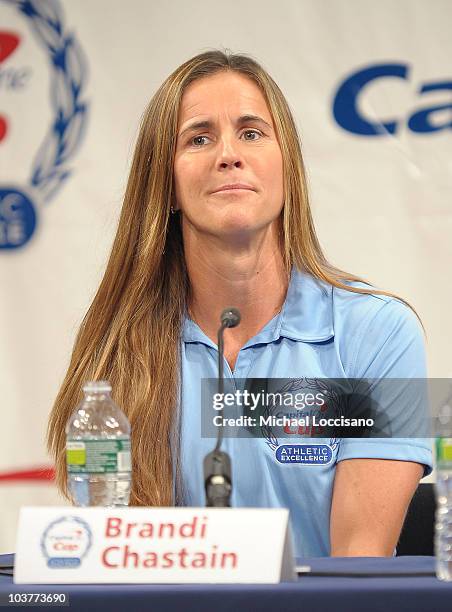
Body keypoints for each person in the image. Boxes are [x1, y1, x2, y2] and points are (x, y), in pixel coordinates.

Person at [47, 49, 432, 558]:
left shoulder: (378, 333)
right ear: (166, 185)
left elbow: (360, 563)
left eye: (251, 132)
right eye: (199, 138)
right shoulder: (118, 349)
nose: (228, 154)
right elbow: (109, 559)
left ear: (287, 167)